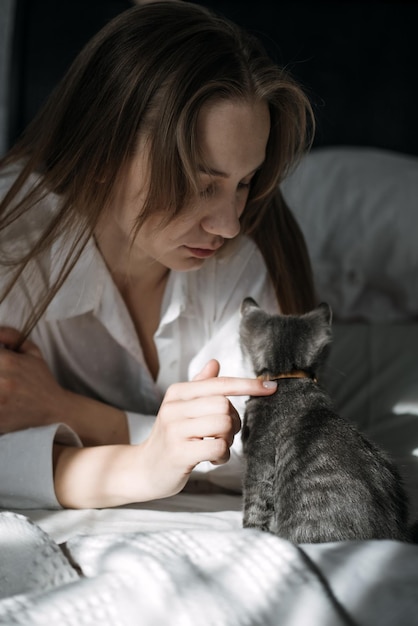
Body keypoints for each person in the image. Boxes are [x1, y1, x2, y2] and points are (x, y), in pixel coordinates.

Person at [0, 0, 315, 509]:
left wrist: (66, 410)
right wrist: (146, 461)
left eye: (244, 182)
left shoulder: (243, 253)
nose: (228, 223)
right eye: (199, 182)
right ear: (104, 154)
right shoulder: (12, 243)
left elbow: (278, 454)